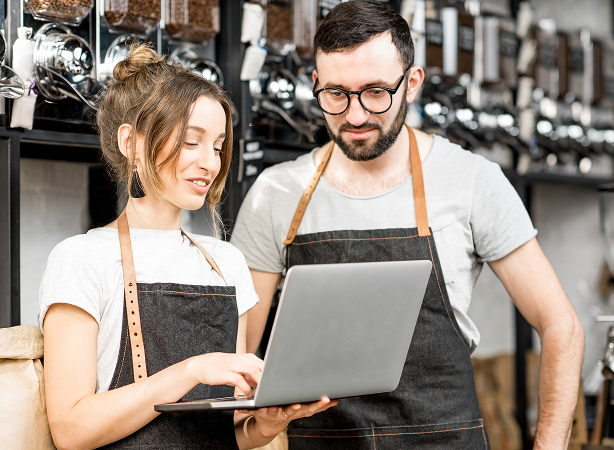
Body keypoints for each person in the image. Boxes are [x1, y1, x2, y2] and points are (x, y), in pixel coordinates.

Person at [231, 2, 584, 449]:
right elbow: (239, 358)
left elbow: (561, 327)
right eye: (336, 94)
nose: (355, 116)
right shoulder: (276, 194)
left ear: (412, 83)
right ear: (315, 84)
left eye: (376, 92)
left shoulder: (472, 180)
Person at [38, 45, 335, 450]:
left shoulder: (226, 264)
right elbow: (71, 429)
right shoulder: (82, 259)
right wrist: (193, 371)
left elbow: (226, 432)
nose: (211, 164)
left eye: (216, 146)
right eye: (191, 142)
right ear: (133, 144)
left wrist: (264, 425)